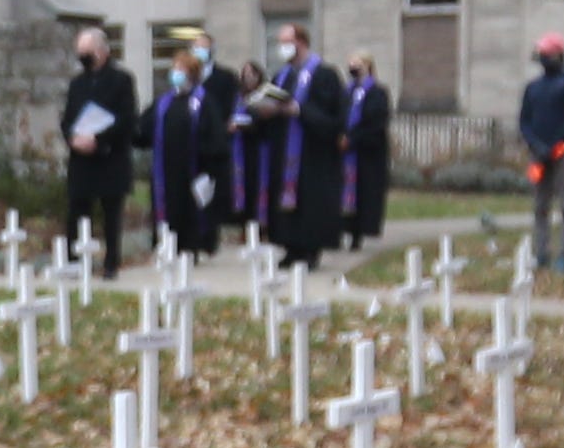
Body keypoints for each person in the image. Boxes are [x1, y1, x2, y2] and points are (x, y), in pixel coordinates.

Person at [239, 21, 348, 266]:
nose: (282, 48)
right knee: (285, 200)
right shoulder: (282, 76)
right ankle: (291, 247)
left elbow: (334, 119)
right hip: (284, 148)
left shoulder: (324, 74)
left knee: (309, 201)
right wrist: (264, 112)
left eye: (286, 42)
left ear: (301, 42)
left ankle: (310, 251)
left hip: (313, 154)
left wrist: (299, 110)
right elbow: (275, 104)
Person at [144, 36, 239, 258]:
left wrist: (209, 167)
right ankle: (167, 245)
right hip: (166, 169)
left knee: (191, 212)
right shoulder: (164, 102)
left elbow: (215, 137)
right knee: (168, 209)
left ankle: (191, 249)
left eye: (181, 69)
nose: (176, 74)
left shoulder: (204, 102)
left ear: (192, 74)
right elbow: (144, 127)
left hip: (193, 169)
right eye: (174, 69)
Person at [59, 26, 139, 277]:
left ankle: (110, 263)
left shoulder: (121, 80)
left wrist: (99, 139)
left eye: (87, 51)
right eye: (79, 52)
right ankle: (73, 261)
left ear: (102, 51)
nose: (82, 56)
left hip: (109, 157)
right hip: (81, 159)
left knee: (110, 215)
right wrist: (73, 138)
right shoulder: (77, 83)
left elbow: (127, 119)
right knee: (76, 212)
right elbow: (68, 117)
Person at [519, 30, 564, 275]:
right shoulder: (532, 88)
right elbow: (524, 121)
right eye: (542, 53)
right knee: (540, 205)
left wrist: (556, 149)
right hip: (537, 155)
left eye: (548, 53)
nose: (544, 57)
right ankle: (541, 253)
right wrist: (536, 147)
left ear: (560, 54)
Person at [338, 46, 393, 243]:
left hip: (366, 153)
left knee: (363, 195)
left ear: (367, 65)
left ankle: (357, 234)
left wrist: (353, 139)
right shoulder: (347, 92)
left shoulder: (377, 92)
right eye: (350, 64)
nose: (352, 67)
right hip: (345, 154)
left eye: (356, 64)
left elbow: (376, 122)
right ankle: (345, 229)